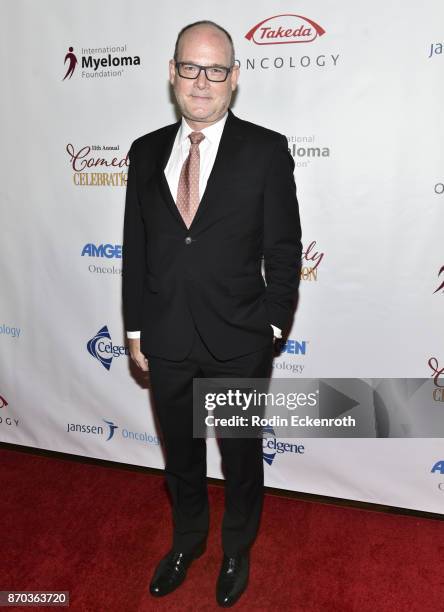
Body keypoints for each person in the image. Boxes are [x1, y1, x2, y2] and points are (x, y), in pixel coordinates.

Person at [122, 20, 302, 607]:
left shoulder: (266, 150)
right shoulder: (146, 151)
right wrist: (134, 327)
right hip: (167, 339)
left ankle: (236, 548)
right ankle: (188, 541)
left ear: (234, 78)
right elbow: (138, 247)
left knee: (241, 458)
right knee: (181, 457)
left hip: (237, 342)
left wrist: (272, 326)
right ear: (172, 73)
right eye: (191, 68)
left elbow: (283, 248)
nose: (203, 81)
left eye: (216, 69)